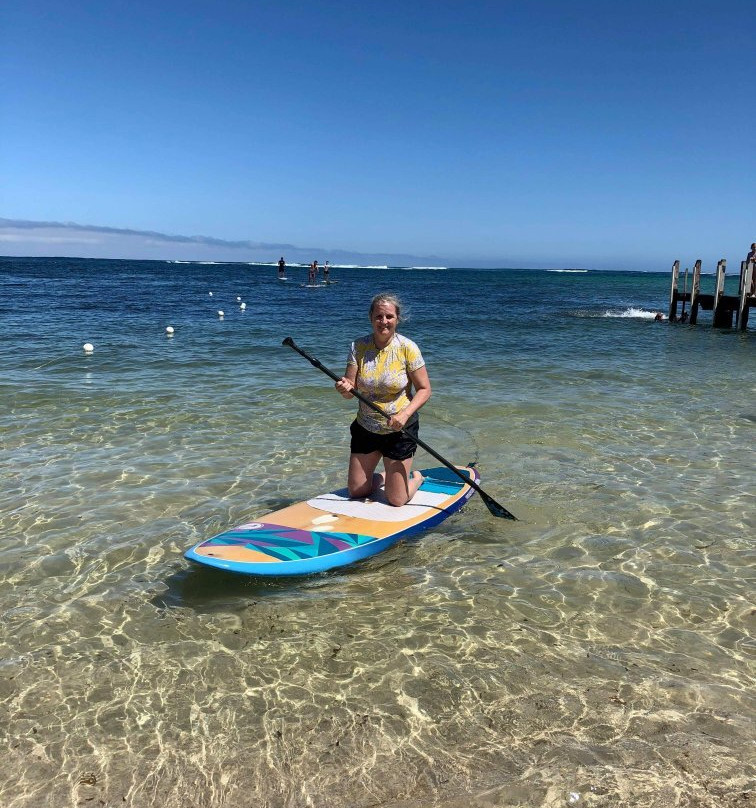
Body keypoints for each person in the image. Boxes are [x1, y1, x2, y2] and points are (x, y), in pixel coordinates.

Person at [334, 293, 431, 506]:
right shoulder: (358, 347)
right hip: (366, 428)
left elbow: (425, 389)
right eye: (379, 316)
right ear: (371, 318)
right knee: (357, 492)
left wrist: (404, 415)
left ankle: (416, 478)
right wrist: (344, 389)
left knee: (397, 500)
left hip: (399, 430)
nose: (384, 322)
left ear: (397, 319)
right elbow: (351, 390)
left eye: (389, 316)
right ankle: (390, 476)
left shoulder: (408, 348)